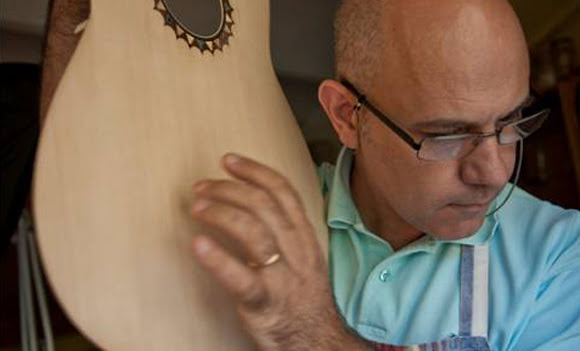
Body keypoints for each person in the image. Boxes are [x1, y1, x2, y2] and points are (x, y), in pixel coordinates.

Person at [42, 0, 579, 350]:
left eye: (512, 121)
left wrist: (309, 327)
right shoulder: (264, 210)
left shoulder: (563, 255)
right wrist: (71, 19)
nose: (494, 170)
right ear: (348, 115)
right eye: (445, 134)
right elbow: (88, 196)